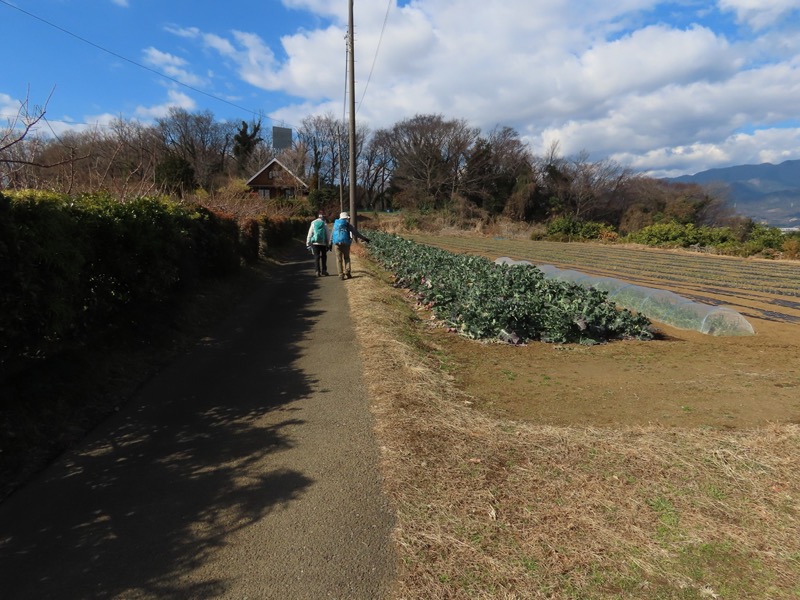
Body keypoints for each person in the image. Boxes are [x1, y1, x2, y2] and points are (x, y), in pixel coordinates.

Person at [331, 211, 370, 280]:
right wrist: (364, 238)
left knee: (339, 259)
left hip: (337, 244)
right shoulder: (348, 225)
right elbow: (356, 233)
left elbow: (332, 234)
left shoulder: (335, 224)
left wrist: (330, 243)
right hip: (346, 243)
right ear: (346, 218)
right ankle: (347, 272)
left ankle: (340, 275)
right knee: (347, 258)